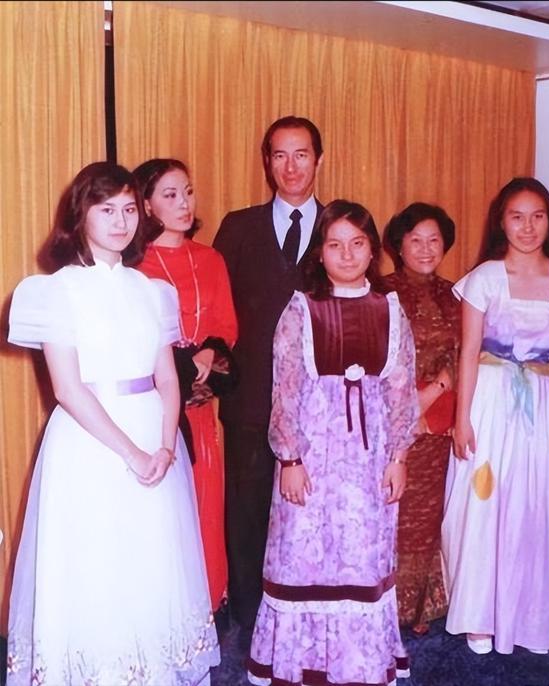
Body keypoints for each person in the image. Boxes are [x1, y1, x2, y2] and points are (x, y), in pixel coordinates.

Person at [6, 162, 219, 684]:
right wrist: (133, 453)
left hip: (155, 437)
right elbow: (68, 388)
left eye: (129, 209)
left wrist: (165, 447)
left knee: (151, 561)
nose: (121, 222)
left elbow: (167, 377)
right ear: (80, 215)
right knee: (98, 560)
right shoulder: (54, 291)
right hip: (91, 441)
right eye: (107, 210)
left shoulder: (153, 291)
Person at [246, 199, 419, 685]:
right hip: (312, 455)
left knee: (362, 554)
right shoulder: (302, 309)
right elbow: (285, 388)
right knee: (301, 551)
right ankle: (302, 663)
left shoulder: (390, 309)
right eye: (335, 244)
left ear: (373, 250)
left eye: (357, 244)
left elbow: (402, 389)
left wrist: (399, 456)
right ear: (319, 252)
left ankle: (358, 663)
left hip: (369, 458)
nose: (347, 255)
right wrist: (290, 459)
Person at [442, 177, 549, 655]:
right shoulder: (484, 278)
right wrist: (463, 418)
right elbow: (467, 352)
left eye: (537, 216)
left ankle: (531, 618)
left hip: (543, 405)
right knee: (485, 503)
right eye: (517, 217)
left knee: (535, 507)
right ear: (501, 222)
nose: (528, 227)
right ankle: (480, 615)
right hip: (489, 399)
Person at [213, 115, 324, 632]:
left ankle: (308, 613)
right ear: (267, 162)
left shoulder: (341, 228)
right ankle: (248, 618)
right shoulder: (238, 227)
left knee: (314, 512)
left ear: (318, 160)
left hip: (322, 407)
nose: (291, 166)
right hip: (251, 400)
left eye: (301, 154)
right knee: (247, 511)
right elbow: (216, 312)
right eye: (280, 155)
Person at [133, 158, 238, 614]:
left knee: (205, 501)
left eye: (188, 192)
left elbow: (226, 324)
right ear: (147, 205)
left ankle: (207, 604)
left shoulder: (210, 258)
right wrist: (176, 366)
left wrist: (209, 355)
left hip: (199, 402)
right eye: (170, 194)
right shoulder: (134, 263)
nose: (184, 203)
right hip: (153, 405)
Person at [382, 202, 461, 634]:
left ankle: (418, 608)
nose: (426, 249)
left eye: (434, 240)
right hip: (391, 421)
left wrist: (437, 394)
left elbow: (466, 353)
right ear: (399, 245)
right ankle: (384, 607)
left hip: (438, 425)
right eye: (416, 240)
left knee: (429, 515)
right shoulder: (381, 292)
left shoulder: (455, 296)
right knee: (392, 513)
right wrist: (412, 403)